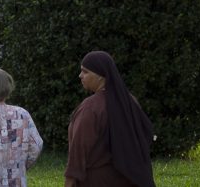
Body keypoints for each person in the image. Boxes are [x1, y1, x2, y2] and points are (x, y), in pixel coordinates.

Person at [65, 51, 155, 187]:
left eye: (85, 72)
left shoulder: (90, 108)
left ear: (101, 76)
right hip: (130, 179)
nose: (80, 76)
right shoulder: (130, 102)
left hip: (97, 181)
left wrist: (69, 181)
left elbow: (78, 151)